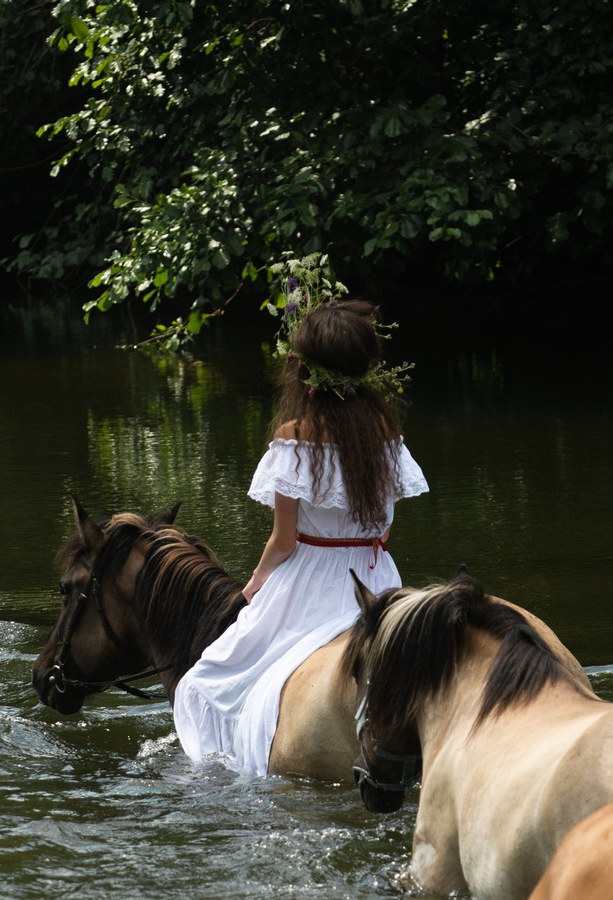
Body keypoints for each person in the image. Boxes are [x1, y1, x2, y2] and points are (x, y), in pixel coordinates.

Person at [174, 298, 429, 773]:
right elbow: (386, 525)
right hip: (377, 581)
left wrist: (253, 585)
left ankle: (222, 775)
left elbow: (284, 542)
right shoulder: (386, 431)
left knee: (206, 681)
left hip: (309, 584)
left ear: (307, 372)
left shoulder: (295, 436)